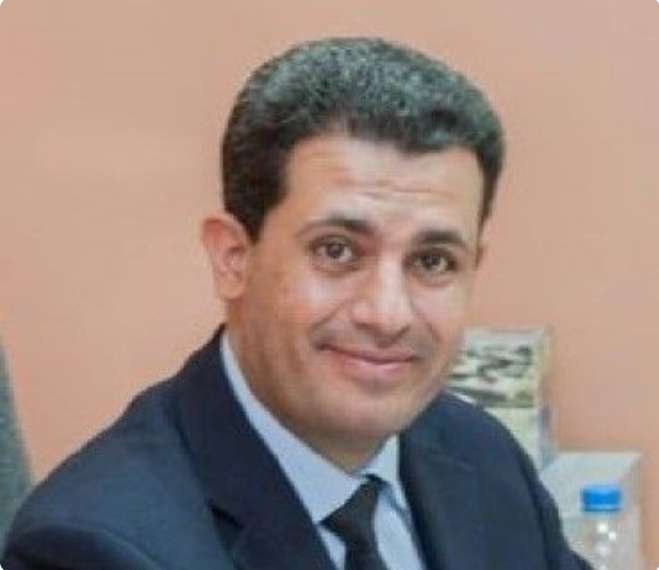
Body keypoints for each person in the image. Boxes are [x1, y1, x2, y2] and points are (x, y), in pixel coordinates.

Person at [1, 37, 590, 570]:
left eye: (433, 261)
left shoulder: (481, 455)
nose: (388, 314)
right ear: (233, 257)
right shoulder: (94, 547)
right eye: (337, 251)